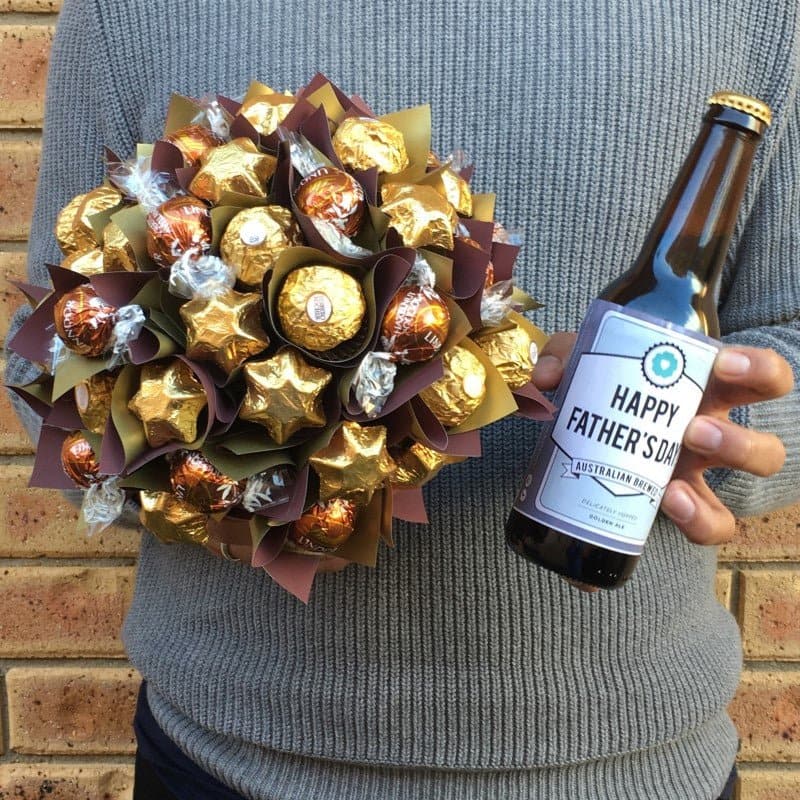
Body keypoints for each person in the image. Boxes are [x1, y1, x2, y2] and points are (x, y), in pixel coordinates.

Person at [6, 0, 798, 798]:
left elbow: (788, 336)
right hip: (232, 756)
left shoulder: (759, 14)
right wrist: (240, 452)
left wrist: (716, 438)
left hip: (631, 761)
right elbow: (52, 344)